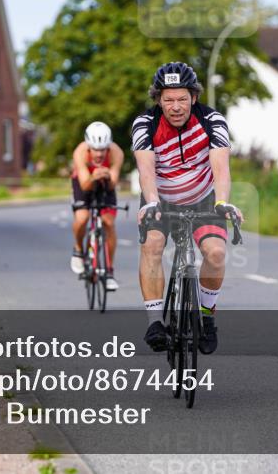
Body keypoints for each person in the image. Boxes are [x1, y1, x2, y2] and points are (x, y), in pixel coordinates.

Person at [132, 62, 243, 355]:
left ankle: (207, 318)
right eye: (168, 100)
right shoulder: (145, 124)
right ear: (158, 100)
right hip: (161, 198)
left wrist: (222, 202)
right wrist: (152, 202)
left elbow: (221, 167)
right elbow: (146, 170)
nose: (176, 106)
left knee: (216, 254)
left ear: (194, 97)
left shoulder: (211, 120)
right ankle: (155, 321)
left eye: (182, 98)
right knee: (153, 245)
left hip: (204, 198)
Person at [70, 121, 125, 290]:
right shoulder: (80, 152)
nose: (99, 154)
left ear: (108, 147)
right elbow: (85, 185)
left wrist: (107, 177)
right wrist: (94, 177)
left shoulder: (116, 152)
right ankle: (79, 248)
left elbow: (112, 184)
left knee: (108, 223)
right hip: (84, 182)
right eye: (95, 149)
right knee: (82, 217)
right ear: (88, 147)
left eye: (102, 149)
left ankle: (108, 271)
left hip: (105, 182)